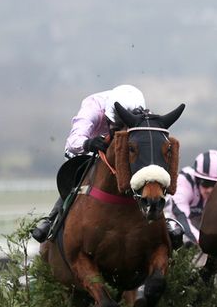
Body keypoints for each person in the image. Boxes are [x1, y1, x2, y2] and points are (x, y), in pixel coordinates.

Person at [30, 84, 146, 242]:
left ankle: (163, 219)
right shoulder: (93, 107)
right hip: (85, 150)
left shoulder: (139, 109)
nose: (120, 130)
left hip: (123, 150)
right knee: (80, 175)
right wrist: (89, 143)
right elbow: (73, 142)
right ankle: (53, 219)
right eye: (117, 126)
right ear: (108, 116)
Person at [164, 149, 217, 248]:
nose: (210, 190)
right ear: (197, 179)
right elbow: (181, 219)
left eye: (214, 184)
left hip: (198, 224)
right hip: (173, 220)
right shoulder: (184, 180)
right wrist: (205, 244)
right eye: (206, 183)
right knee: (177, 235)